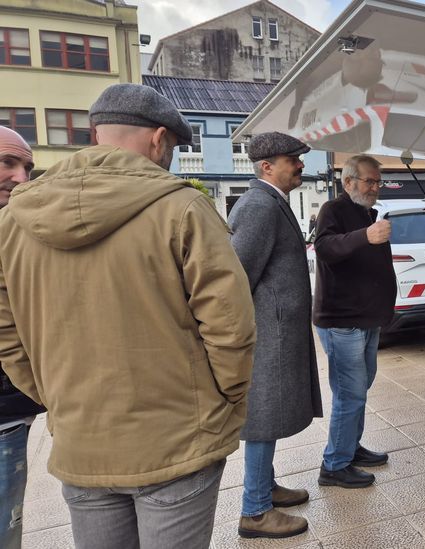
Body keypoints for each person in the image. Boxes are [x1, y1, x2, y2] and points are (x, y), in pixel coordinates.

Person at [0, 84, 256, 549]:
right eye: (174, 148)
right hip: (177, 438)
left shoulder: (13, 221)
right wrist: (224, 400)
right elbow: (231, 326)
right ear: (158, 140)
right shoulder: (183, 208)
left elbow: (7, 337)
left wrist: (57, 397)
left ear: (96, 134)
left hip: (82, 441)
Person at [228, 132, 323, 539]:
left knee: (271, 413)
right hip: (269, 334)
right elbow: (237, 276)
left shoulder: (270, 202)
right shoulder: (257, 206)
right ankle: (255, 510)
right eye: (292, 159)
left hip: (277, 330)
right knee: (264, 418)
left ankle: (264, 488)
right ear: (267, 166)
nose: (300, 165)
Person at [313, 154, 395, 488]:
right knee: (350, 393)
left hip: (366, 319)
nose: (376, 187)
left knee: (360, 388)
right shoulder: (333, 211)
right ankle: (334, 465)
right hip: (342, 321)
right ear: (348, 182)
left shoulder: (366, 212)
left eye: (378, 181)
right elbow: (325, 248)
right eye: (369, 181)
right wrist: (366, 236)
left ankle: (349, 448)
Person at [0, 126, 43, 549]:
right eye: (8, 162)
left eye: (26, 166)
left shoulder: (17, 229)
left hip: (8, 415)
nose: (20, 177)